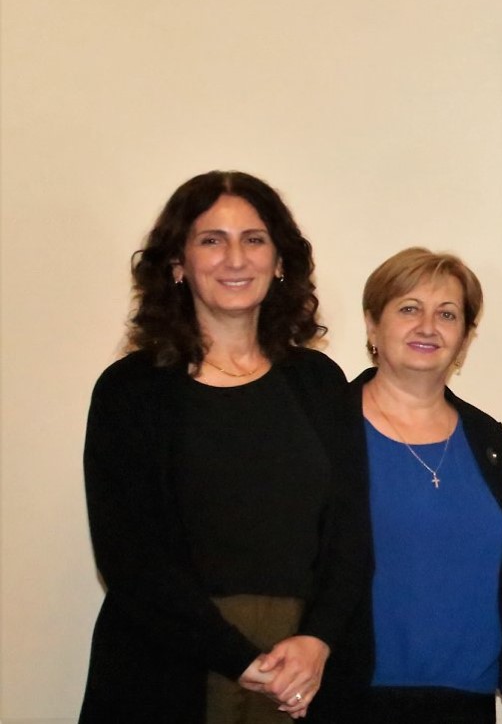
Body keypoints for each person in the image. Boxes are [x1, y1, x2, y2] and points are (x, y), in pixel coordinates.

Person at [80, 170, 368, 724]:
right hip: (169, 669)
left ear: (279, 261)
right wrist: (240, 659)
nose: (236, 259)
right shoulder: (129, 391)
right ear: (177, 264)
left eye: (254, 239)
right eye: (212, 240)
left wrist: (317, 641)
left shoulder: (319, 383)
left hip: (302, 674)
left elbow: (350, 535)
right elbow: (130, 557)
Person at [342, 248, 502, 723]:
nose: (428, 327)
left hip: (465, 699)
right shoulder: (329, 426)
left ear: (465, 338)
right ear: (372, 325)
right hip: (350, 693)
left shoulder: (489, 440)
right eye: (409, 309)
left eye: (447, 314)